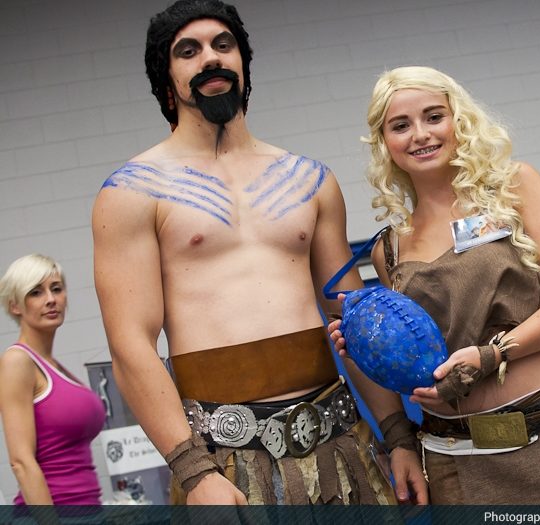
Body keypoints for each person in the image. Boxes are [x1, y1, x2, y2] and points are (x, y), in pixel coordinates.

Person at [92, 0, 402, 505]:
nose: (210, 58)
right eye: (188, 51)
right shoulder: (133, 191)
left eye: (223, 44)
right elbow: (130, 344)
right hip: (222, 461)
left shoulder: (309, 179)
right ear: (166, 78)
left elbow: (354, 316)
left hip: (340, 445)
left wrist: (398, 433)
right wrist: (194, 471)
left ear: (243, 62)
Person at [332, 66, 540, 504]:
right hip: (453, 457)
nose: (420, 134)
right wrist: (366, 345)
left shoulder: (514, 188)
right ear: (384, 143)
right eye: (400, 125)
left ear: (460, 120)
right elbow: (427, 358)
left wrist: (493, 355)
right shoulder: (388, 249)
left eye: (434, 116)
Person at [0, 254, 105, 506]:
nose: (50, 299)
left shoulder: (55, 367)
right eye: (36, 292)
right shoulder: (17, 361)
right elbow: (21, 462)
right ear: (15, 306)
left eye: (56, 289)